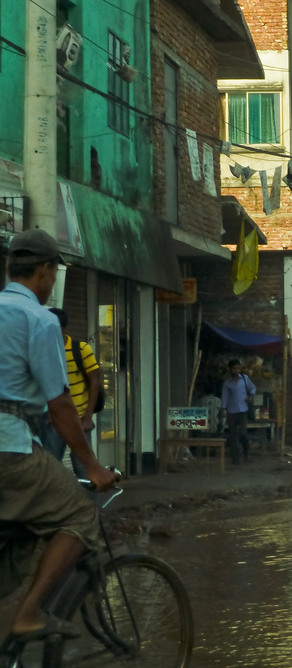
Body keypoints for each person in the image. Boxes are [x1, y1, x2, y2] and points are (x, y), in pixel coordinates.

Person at [0, 228, 116, 642]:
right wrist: (92, 466)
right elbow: (60, 404)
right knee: (79, 513)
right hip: (9, 447)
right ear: (46, 273)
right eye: (53, 273)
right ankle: (29, 613)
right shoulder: (39, 320)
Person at [39, 307, 102, 477]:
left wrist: (88, 417)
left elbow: (94, 382)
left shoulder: (81, 349)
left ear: (64, 328)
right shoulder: (43, 351)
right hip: (54, 420)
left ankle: (89, 504)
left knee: (85, 470)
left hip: (80, 419)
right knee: (50, 469)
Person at [221, 359, 256, 464]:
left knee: (242, 434)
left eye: (237, 368)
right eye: (234, 368)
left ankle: (246, 452)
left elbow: (253, 388)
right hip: (231, 411)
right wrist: (223, 409)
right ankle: (235, 458)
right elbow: (225, 397)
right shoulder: (227, 383)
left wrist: (251, 396)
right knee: (233, 436)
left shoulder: (245, 379)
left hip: (243, 410)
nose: (236, 370)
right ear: (230, 369)